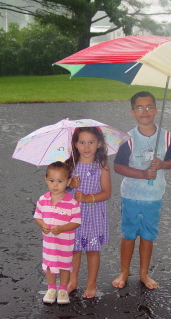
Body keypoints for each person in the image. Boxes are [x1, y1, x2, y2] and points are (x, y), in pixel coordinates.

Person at [112, 91, 171, 290]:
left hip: (154, 196)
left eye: (149, 107)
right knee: (129, 233)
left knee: (148, 235)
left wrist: (162, 164)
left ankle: (143, 273)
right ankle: (124, 271)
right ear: (132, 112)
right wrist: (142, 174)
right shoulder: (128, 139)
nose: (145, 111)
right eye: (139, 107)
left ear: (156, 110)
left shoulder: (166, 136)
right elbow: (118, 166)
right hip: (131, 195)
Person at [65, 127, 112, 298]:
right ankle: (73, 280)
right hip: (73, 215)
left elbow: (106, 192)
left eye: (91, 142)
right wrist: (70, 185)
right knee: (74, 249)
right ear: (75, 145)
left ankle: (92, 283)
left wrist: (87, 198)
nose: (86, 147)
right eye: (82, 142)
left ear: (99, 144)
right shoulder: (69, 165)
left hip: (93, 214)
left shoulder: (102, 166)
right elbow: (58, 188)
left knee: (92, 250)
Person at [34, 161, 81, 305]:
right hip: (49, 243)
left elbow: (77, 221)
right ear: (46, 180)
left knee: (65, 266)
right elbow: (37, 216)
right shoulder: (43, 200)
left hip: (65, 243)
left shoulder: (72, 202)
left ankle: (63, 289)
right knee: (50, 265)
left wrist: (62, 228)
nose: (55, 185)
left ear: (68, 181)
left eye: (60, 181)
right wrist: (42, 225)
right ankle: (51, 288)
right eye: (52, 181)